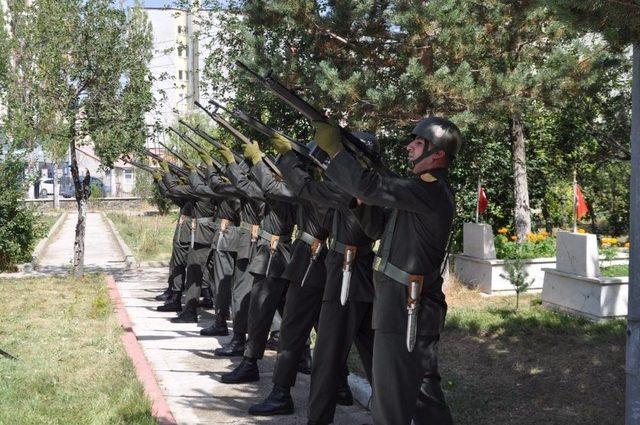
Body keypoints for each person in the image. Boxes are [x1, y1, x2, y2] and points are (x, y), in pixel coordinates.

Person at [312, 117, 462, 425]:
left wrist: (337, 153)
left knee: (389, 407)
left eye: (418, 142)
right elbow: (378, 227)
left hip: (407, 308)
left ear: (437, 155)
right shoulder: (419, 192)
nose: (409, 146)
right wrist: (360, 201)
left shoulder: (429, 190)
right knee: (424, 399)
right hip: (403, 304)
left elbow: (370, 187)